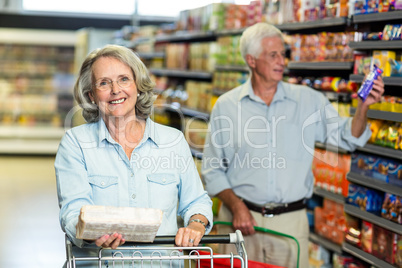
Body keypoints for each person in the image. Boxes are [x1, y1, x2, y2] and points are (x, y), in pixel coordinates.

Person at [201, 22, 384, 268]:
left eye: (283, 54)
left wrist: (364, 107)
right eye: (272, 54)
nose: (281, 61)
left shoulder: (308, 100)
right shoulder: (226, 105)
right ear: (252, 60)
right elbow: (212, 170)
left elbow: (348, 137)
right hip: (239, 221)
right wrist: (236, 206)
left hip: (290, 224)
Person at [55, 44, 213, 267]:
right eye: (104, 83)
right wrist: (91, 232)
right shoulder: (76, 144)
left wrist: (196, 224)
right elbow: (73, 210)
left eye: (124, 79)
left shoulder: (172, 141)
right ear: (91, 95)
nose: (115, 90)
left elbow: (196, 200)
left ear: (138, 86)